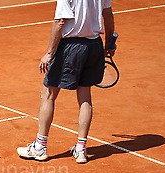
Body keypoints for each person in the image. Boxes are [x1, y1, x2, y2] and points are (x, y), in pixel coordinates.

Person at [17, 0, 116, 163]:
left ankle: (40, 147)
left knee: (48, 94)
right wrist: (109, 43)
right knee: (85, 96)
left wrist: (49, 53)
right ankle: (81, 149)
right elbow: (108, 14)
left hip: (70, 46)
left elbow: (60, 22)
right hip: (94, 45)